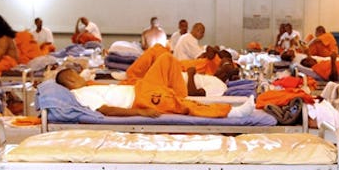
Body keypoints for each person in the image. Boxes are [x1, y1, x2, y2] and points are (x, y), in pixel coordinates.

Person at [56, 50, 254, 118]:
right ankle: (230, 112)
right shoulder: (80, 94)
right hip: (139, 99)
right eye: (77, 75)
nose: (81, 75)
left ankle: (179, 99)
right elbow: (107, 110)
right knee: (179, 104)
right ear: (72, 81)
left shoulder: (86, 86)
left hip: (139, 88)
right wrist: (140, 112)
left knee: (166, 59)